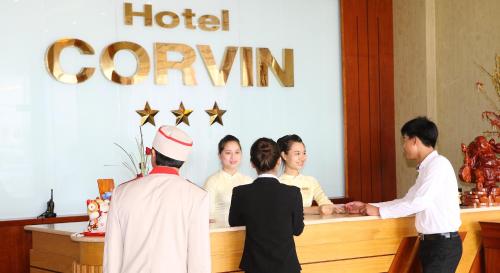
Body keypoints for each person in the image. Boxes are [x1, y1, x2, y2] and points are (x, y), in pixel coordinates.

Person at [345, 117, 462, 273]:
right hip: (432, 245)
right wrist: (370, 206)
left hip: (442, 246)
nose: (403, 146)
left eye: (404, 140)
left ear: (414, 140)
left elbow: (418, 203)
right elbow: (408, 201)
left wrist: (379, 211)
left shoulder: (438, 165)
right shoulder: (426, 168)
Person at [104, 125, 210, 273]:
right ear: (183, 161)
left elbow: (112, 257)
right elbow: (199, 262)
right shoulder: (197, 196)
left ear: (153, 154)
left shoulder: (121, 192)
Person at [229, 137, 304, 273]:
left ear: (252, 163)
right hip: (286, 267)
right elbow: (297, 229)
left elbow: (234, 222)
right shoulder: (292, 193)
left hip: (255, 267)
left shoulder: (240, 192)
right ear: (279, 161)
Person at [277, 134, 343, 215]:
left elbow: (326, 203)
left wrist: (344, 208)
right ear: (284, 155)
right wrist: (317, 210)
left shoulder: (311, 181)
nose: (302, 158)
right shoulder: (277, 183)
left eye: (304, 153)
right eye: (297, 153)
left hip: (312, 226)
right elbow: (285, 210)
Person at [203, 135, 252, 223]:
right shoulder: (212, 181)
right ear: (219, 155)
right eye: (228, 153)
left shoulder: (248, 181)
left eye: (237, 152)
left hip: (246, 234)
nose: (233, 157)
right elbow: (207, 217)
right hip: (220, 234)